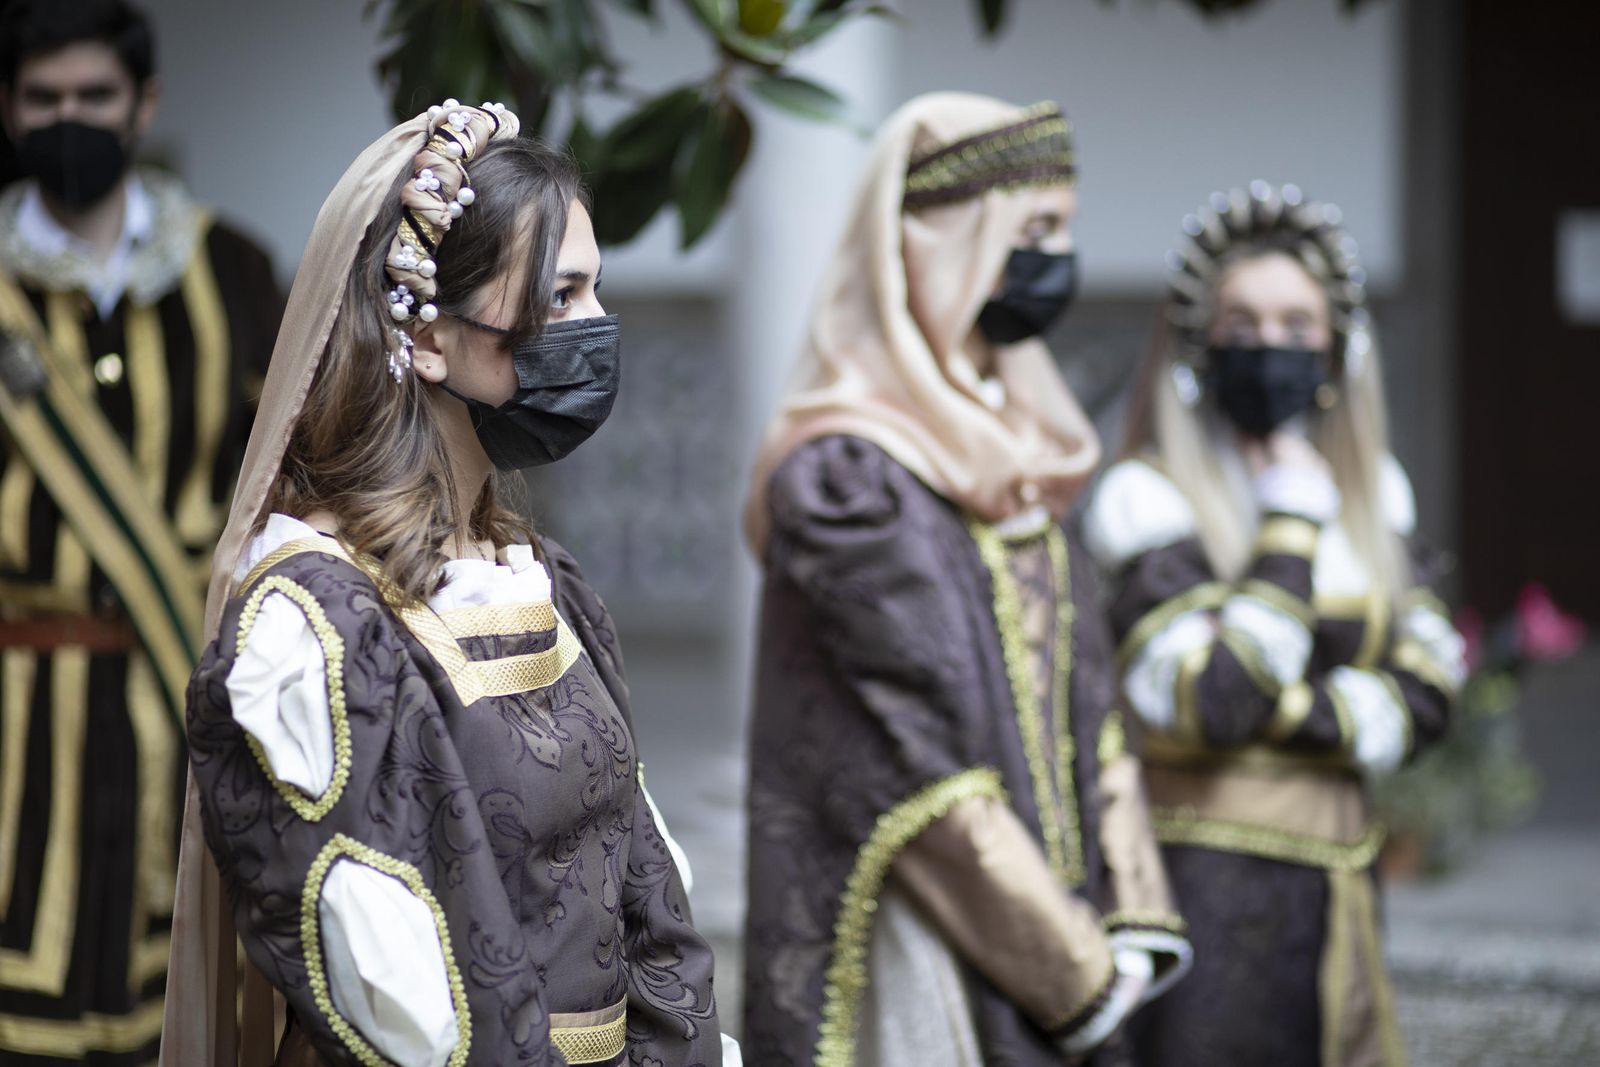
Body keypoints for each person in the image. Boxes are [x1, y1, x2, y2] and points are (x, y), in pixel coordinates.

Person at [161, 102, 731, 1065]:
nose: (595, 327)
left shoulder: (547, 581)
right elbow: (398, 992)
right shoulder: (317, 622)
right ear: (426, 339)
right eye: (560, 296)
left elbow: (646, 888)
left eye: (597, 291)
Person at [740, 92, 1193, 1066]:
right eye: (1031, 232)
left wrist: (1128, 903)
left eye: (1065, 232)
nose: (1053, 264)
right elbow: (919, 756)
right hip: (928, 925)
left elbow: (1090, 693)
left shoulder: (1021, 441)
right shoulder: (847, 474)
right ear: (938, 246)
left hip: (1063, 913)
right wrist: (1072, 966)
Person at [1083, 183, 1465, 1066]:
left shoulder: (1376, 494)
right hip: (1201, 897)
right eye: (1243, 324)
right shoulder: (1146, 497)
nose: (1271, 348)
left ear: (1336, 348)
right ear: (1200, 341)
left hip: (1341, 895)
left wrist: (1285, 710)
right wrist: (1288, 526)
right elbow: (1212, 701)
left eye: (1298, 326)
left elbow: (1437, 681)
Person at [0, 1, 280, 1060]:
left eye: (93, 97)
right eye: (45, 98)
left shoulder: (234, 272)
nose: (70, 117)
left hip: (190, 689)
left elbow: (288, 475)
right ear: (10, 109)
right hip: (20, 705)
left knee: (185, 1004)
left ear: (143, 105)